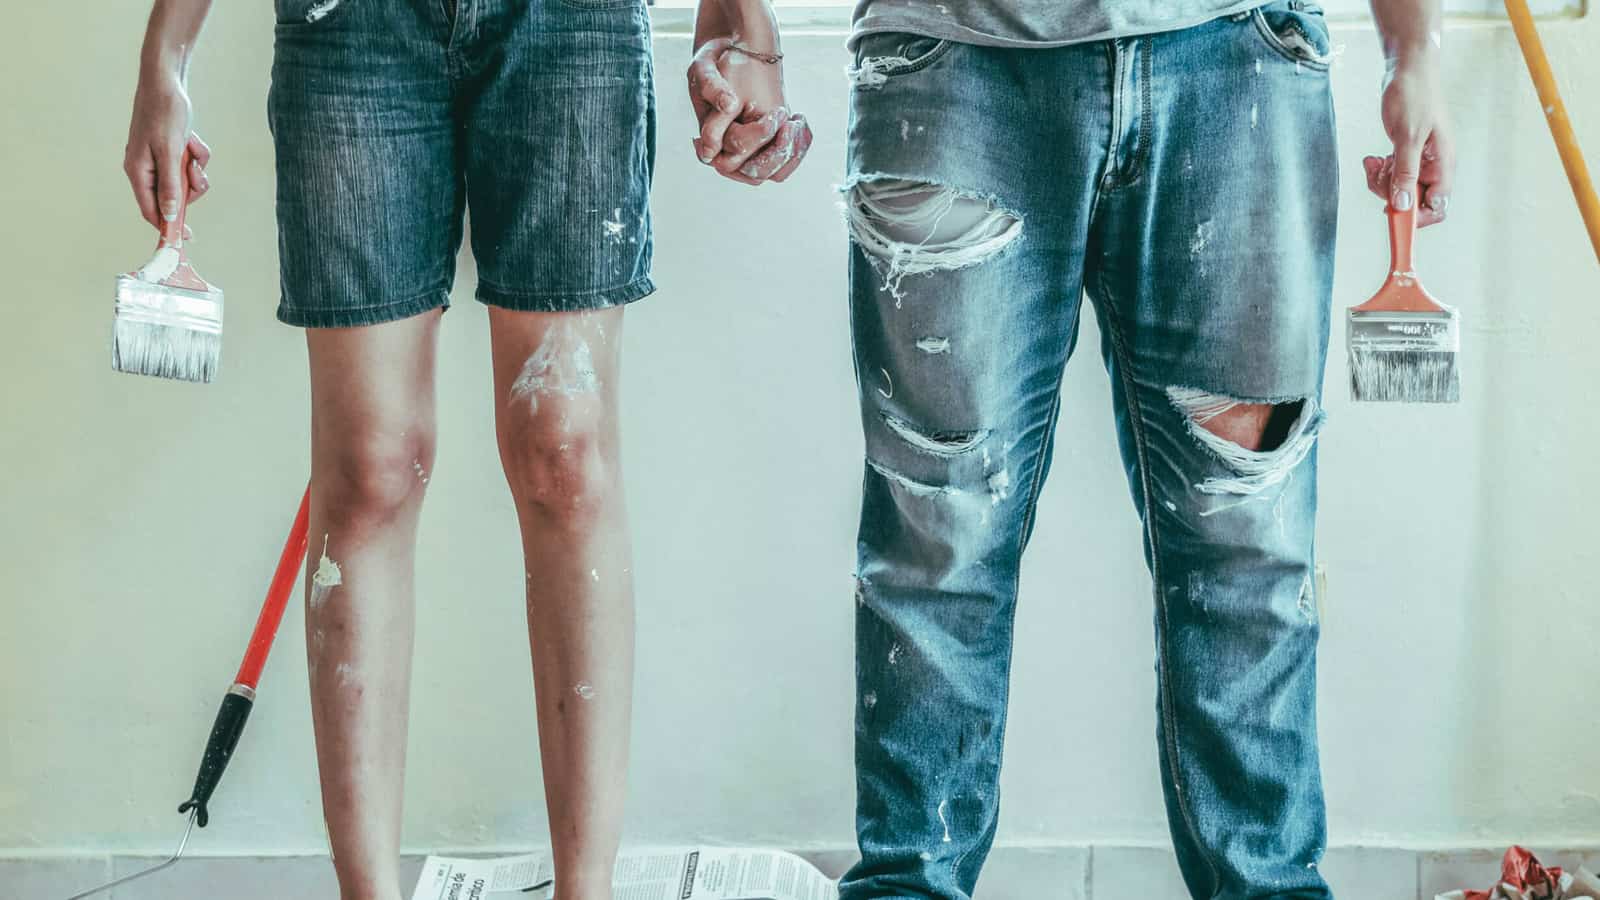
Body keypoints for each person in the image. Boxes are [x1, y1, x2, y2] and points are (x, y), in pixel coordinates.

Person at [703, 0, 1449, 897]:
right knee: (939, 543)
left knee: (1249, 548)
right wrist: (737, 25)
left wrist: (1415, 46)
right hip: (952, 58)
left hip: (1237, 53)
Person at [126, 2, 806, 898]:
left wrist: (740, 25)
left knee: (564, 456)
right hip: (353, 29)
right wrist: (165, 59)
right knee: (370, 470)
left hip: (572, 26)